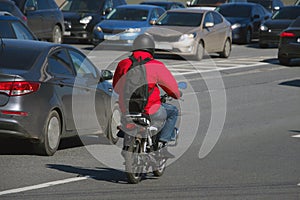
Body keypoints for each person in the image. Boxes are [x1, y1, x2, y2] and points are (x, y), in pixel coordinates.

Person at [113, 33, 181, 158]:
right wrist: (176, 94)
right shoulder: (156, 65)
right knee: (173, 111)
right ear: (151, 49)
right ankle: (162, 144)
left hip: (127, 109)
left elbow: (116, 88)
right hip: (150, 109)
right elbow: (172, 89)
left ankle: (128, 141)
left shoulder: (123, 64)